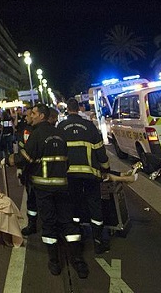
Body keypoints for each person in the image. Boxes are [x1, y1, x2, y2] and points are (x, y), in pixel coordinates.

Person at [10, 104, 88, 278]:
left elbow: (26, 158)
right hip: (62, 185)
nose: (32, 116)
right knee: (68, 223)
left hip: (44, 188)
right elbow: (66, 159)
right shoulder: (59, 133)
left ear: (42, 116)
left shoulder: (37, 134)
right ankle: (78, 261)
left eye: (35, 113)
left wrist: (10, 160)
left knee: (49, 224)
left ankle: (54, 261)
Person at [57, 97, 111, 255]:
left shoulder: (61, 127)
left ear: (67, 108)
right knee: (94, 205)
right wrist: (106, 169)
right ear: (79, 108)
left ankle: (77, 238)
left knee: (74, 204)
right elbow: (101, 152)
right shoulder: (89, 126)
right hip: (90, 174)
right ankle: (98, 241)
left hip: (70, 175)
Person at [16, 107, 38, 236]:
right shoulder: (25, 130)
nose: (26, 118)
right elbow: (21, 149)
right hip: (29, 170)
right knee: (31, 199)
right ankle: (32, 223)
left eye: (29, 115)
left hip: (37, 170)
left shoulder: (36, 130)